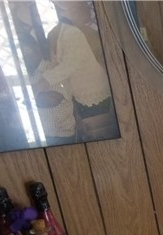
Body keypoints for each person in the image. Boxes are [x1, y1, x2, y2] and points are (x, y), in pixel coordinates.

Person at [35, 1, 117, 142]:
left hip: (93, 92)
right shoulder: (60, 32)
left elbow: (68, 65)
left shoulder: (73, 33)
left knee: (98, 132)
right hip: (81, 92)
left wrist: (45, 81)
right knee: (90, 131)